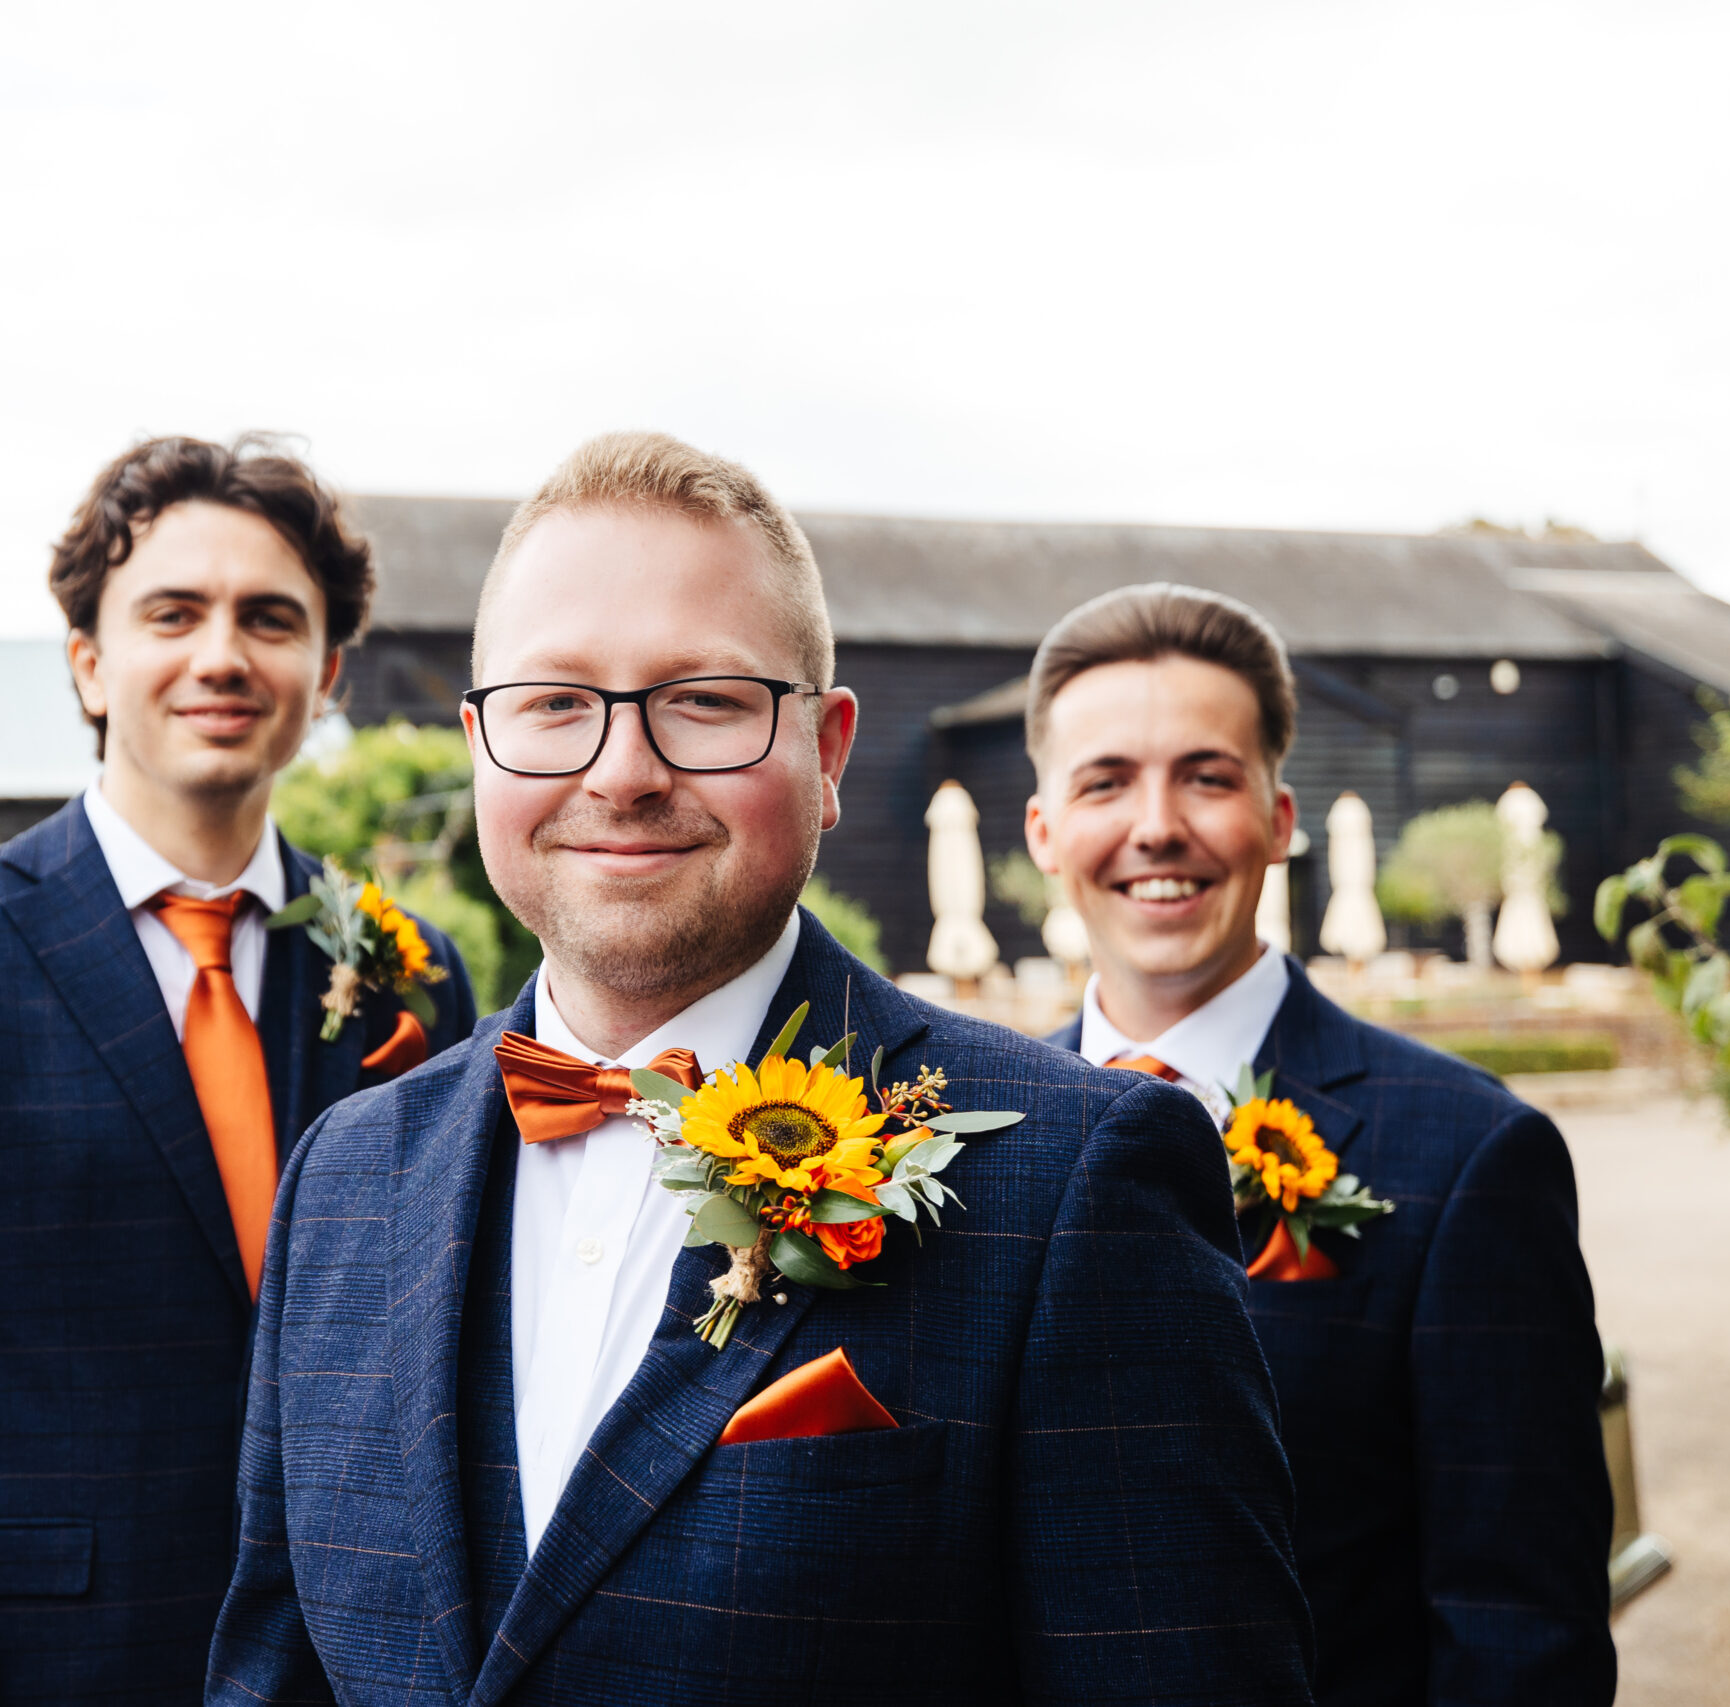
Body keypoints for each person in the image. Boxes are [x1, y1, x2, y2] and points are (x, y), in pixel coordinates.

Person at [205, 433, 1312, 1706]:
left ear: (828, 752)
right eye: (554, 702)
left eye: (705, 701)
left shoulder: (1079, 1181)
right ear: (478, 745)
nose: (620, 772)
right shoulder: (345, 1175)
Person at [0, 435, 477, 1706]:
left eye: (270, 618)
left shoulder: (415, 976)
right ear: (89, 663)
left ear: (328, 671)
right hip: (55, 1667)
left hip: (369, 1664)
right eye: (172, 614)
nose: (222, 656)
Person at [1028, 583, 1615, 1705]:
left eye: (1207, 776)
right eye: (1106, 781)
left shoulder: (1472, 1156)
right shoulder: (960, 1136)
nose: (1157, 824)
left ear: (1279, 820)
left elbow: (1518, 1624)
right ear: (1046, 832)